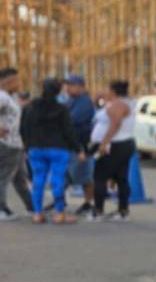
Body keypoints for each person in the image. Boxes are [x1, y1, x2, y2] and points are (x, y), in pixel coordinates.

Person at [20, 78, 86, 224]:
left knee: (38, 180)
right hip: (58, 149)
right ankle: (59, 213)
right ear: (58, 91)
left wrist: (26, 146)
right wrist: (78, 149)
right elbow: (69, 131)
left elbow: (23, 128)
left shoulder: (29, 107)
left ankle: (38, 214)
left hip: (35, 149)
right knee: (57, 180)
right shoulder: (62, 109)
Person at [90, 80, 137, 221]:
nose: (104, 91)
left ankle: (98, 211)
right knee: (120, 177)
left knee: (100, 177)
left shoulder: (118, 105)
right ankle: (123, 210)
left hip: (115, 145)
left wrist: (104, 142)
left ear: (113, 91)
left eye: (107, 88)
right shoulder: (119, 103)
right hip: (122, 144)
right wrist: (99, 98)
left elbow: (116, 123)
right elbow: (100, 107)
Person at [0, 67, 36, 220]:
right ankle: (2, 209)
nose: (19, 84)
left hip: (16, 144)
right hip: (7, 144)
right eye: (18, 80)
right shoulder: (2, 96)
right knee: (4, 177)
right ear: (10, 81)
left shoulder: (10, 96)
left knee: (20, 177)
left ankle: (32, 207)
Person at [63, 75, 97, 215]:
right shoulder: (71, 100)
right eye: (68, 85)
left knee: (84, 176)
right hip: (70, 144)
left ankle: (89, 203)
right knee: (65, 174)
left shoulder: (84, 101)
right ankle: (60, 201)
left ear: (82, 87)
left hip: (81, 144)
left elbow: (71, 120)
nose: (68, 87)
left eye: (72, 85)